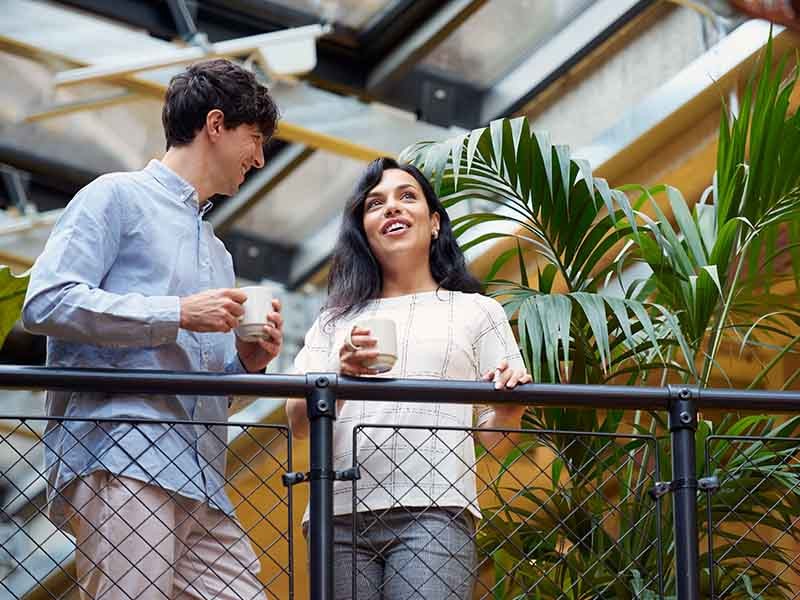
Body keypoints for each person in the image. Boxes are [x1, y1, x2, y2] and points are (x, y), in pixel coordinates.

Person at [22, 59, 282, 600]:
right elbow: (45, 302)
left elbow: (202, 383)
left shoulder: (218, 253)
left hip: (201, 474)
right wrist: (178, 313)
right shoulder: (113, 197)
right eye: (254, 139)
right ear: (216, 125)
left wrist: (247, 364)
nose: (258, 159)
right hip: (122, 455)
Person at [285, 157, 532, 599]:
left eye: (407, 197)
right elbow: (298, 422)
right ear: (363, 230)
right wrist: (339, 377)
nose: (392, 209)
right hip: (336, 513)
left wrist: (510, 407)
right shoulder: (333, 320)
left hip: (436, 510)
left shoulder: (477, 311)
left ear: (434, 222)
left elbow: (495, 441)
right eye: (375, 204)